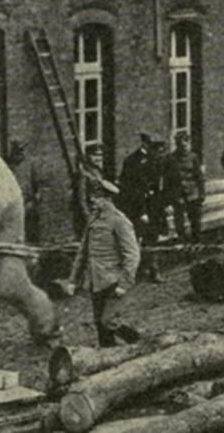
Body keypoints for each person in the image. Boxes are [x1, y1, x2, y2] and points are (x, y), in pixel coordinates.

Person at [66, 143, 141, 347]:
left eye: (95, 199)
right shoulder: (93, 221)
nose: (91, 202)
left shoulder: (119, 221)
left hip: (113, 280)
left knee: (109, 321)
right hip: (96, 280)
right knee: (100, 324)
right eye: (91, 199)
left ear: (107, 199)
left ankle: (139, 344)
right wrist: (72, 280)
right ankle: (108, 356)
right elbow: (82, 253)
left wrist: (124, 284)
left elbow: (132, 255)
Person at [118, 132, 166, 282]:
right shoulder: (132, 161)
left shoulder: (156, 159)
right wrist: (141, 211)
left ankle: (153, 270)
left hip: (154, 206)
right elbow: (129, 189)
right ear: (144, 144)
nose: (157, 150)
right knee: (133, 240)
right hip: (137, 207)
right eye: (153, 146)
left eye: (158, 147)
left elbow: (159, 184)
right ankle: (129, 274)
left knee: (152, 238)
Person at [165, 132, 206, 243]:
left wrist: (202, 193)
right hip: (177, 193)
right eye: (180, 144)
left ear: (188, 143)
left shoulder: (193, 157)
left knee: (195, 218)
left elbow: (200, 177)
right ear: (176, 144)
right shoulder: (170, 158)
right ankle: (182, 240)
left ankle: (196, 239)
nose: (183, 147)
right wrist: (168, 197)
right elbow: (167, 179)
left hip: (193, 192)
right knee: (179, 219)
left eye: (185, 144)